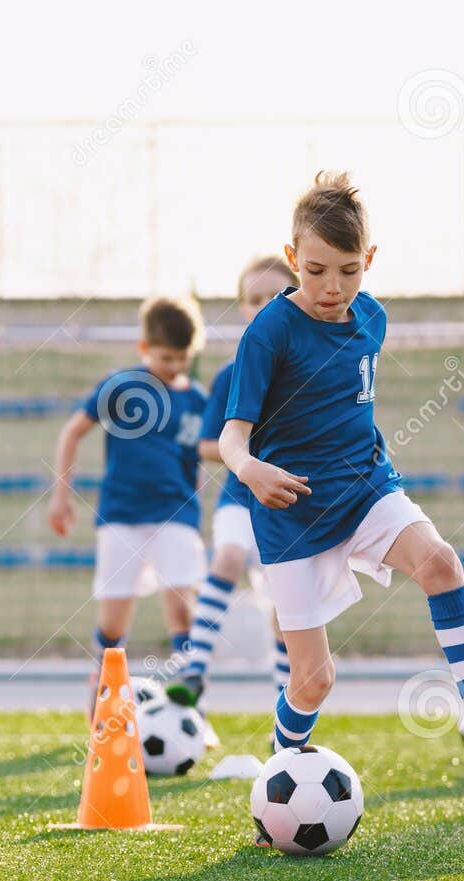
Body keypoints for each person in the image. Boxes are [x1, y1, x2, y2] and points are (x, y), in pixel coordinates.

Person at [218, 172, 464, 806]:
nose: (332, 288)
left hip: (368, 488)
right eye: (315, 271)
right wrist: (252, 470)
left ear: (369, 262)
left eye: (347, 271)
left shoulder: (373, 318)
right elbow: (234, 439)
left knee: (441, 561)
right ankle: (277, 785)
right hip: (292, 517)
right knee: (313, 681)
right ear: (292, 259)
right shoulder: (269, 331)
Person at [49, 297, 209, 701]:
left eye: (182, 358)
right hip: (122, 515)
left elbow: (200, 459)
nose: (174, 366)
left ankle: (190, 705)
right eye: (165, 357)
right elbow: (72, 433)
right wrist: (61, 498)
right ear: (145, 349)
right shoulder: (122, 386)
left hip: (176, 514)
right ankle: (101, 701)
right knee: (114, 622)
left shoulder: (198, 401)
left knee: (182, 610)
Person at [169, 256, 296, 711]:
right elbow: (206, 445)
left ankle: (287, 706)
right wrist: (245, 453)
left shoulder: (310, 369)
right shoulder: (232, 372)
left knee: (286, 608)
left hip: (290, 506)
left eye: (276, 296)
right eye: (254, 299)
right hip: (242, 499)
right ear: (243, 308)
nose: (264, 306)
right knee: (227, 556)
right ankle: (195, 668)